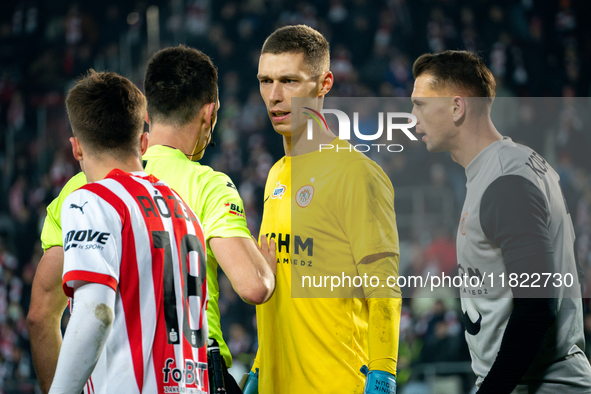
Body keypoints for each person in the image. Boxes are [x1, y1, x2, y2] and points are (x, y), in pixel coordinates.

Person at [28, 46, 276, 394]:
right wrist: (266, 268)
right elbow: (253, 285)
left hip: (113, 372)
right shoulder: (200, 187)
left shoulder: (79, 193)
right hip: (196, 371)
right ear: (209, 114)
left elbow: (42, 315)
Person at [411, 50, 591, 393]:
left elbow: (537, 306)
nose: (412, 117)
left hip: (538, 385)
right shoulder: (512, 166)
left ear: (456, 107)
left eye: (419, 104)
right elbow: (572, 275)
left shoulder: (504, 181)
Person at [244, 25, 401, 394]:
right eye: (265, 81)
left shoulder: (356, 173)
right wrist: (258, 367)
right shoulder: (276, 176)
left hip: (338, 383)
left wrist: (384, 375)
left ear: (324, 83)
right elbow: (279, 288)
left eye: (289, 81)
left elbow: (384, 287)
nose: (275, 96)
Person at [48, 70, 210, 393]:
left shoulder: (90, 201)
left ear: (76, 148)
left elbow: (96, 313)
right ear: (144, 142)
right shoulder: (184, 209)